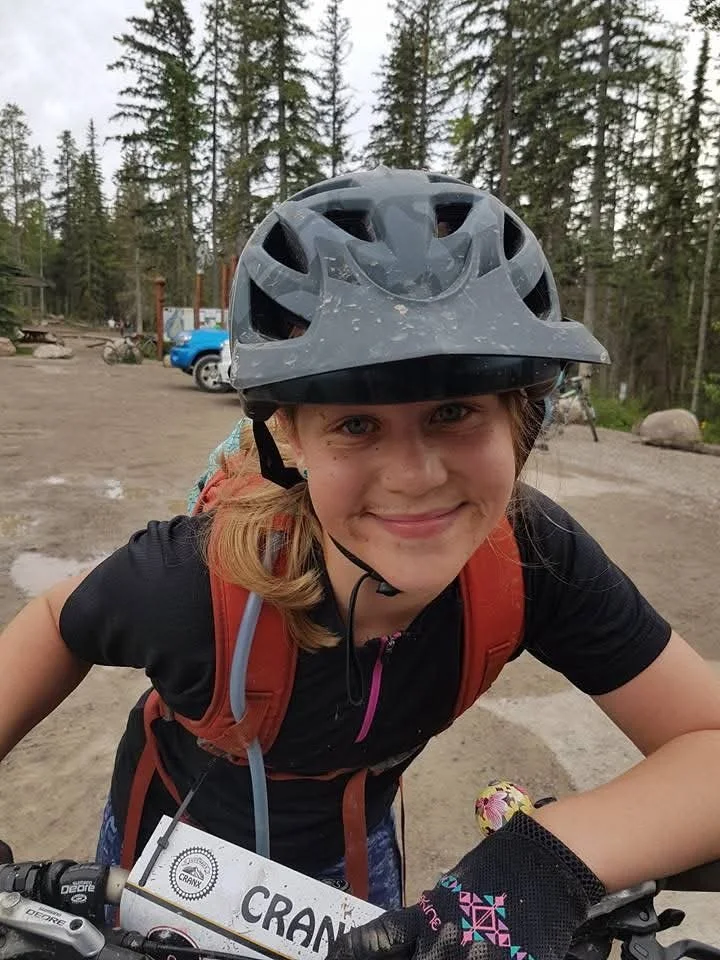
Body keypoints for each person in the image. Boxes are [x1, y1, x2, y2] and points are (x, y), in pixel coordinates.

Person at [2, 168, 720, 960]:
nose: (414, 475)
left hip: (353, 864)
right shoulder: (193, 580)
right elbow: (54, 624)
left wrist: (541, 863)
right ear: (290, 439)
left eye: (454, 411)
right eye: (355, 423)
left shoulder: (534, 560)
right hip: (162, 864)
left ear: (522, 419)